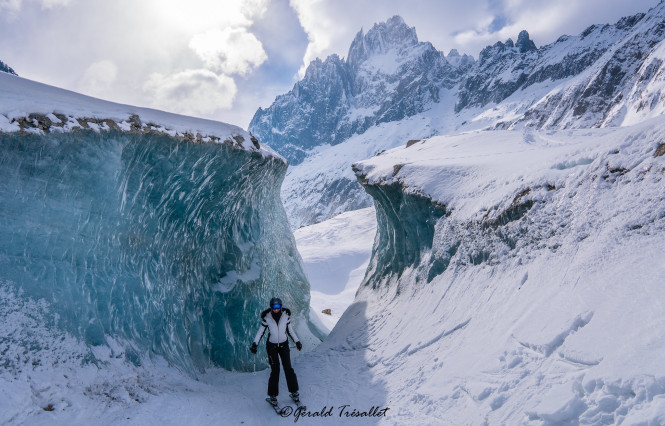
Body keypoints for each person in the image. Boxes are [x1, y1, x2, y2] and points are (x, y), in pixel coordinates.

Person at [250, 297, 303, 404]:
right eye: (274, 307)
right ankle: (273, 396)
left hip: (284, 345)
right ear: (271, 307)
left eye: (278, 307)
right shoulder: (267, 318)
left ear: (281, 306)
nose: (276, 309)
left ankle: (294, 392)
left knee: (288, 368)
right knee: (275, 370)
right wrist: (255, 344)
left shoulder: (285, 316)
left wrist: (297, 341)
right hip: (271, 347)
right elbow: (261, 332)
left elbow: (290, 331)